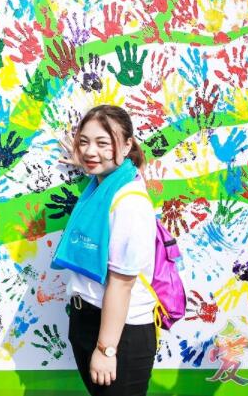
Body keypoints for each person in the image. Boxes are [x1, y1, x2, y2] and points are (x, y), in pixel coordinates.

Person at [53, 104, 157, 396]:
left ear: (126, 146)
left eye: (102, 143)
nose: (89, 151)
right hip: (88, 320)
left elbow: (122, 285)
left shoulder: (130, 203)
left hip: (119, 334)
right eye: (84, 142)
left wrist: (106, 349)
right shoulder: (106, 185)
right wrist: (88, 158)